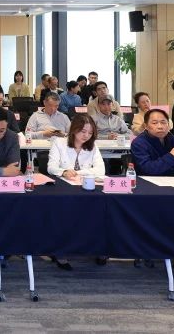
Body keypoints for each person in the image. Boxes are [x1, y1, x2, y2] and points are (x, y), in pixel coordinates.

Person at [46, 113, 106, 270]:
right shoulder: (59, 143)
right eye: (83, 131)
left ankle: (98, 248)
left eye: (90, 133)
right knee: (67, 213)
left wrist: (77, 173)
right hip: (65, 190)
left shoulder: (92, 146)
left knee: (101, 209)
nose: (86, 136)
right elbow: (51, 167)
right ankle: (61, 252)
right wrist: (64, 171)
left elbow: (100, 170)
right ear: (74, 129)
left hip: (87, 188)